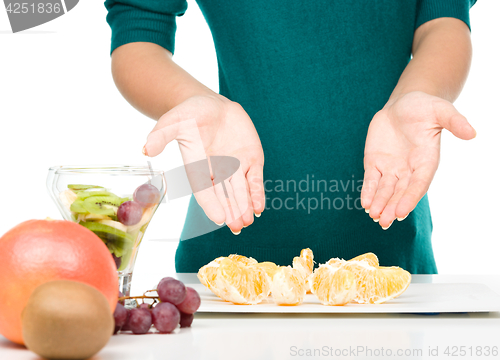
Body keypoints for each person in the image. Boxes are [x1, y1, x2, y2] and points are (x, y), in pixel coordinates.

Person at [105, 0, 477, 273]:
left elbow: (443, 21)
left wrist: (421, 91)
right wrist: (192, 100)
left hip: (393, 263)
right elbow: (139, 32)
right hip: (226, 271)